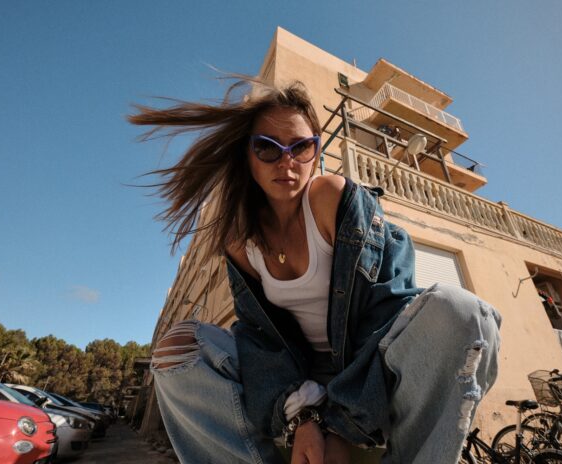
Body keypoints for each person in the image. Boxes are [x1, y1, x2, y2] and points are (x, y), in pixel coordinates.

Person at [129, 78, 501, 464]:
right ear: (247, 155)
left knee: (466, 313)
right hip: (298, 375)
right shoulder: (241, 240)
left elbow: (385, 314)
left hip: (370, 366)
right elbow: (261, 340)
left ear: (316, 150)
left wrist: (343, 426)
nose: (286, 162)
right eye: (267, 148)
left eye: (300, 147)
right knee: (177, 350)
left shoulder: (330, 198)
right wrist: (303, 416)